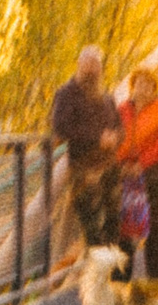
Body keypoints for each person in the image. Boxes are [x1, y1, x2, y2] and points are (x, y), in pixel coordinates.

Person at [50, 45, 124, 251]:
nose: (92, 69)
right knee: (93, 232)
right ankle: (96, 280)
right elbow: (61, 128)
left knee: (113, 227)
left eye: (96, 64)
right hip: (84, 172)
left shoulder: (106, 96)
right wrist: (97, 139)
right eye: (88, 64)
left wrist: (115, 136)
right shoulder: (66, 94)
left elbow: (120, 126)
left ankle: (107, 279)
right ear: (79, 65)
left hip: (110, 168)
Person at [116, 66, 158, 281]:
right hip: (125, 179)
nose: (143, 88)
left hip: (151, 178)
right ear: (132, 87)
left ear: (154, 88)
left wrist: (140, 164)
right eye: (139, 83)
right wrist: (120, 164)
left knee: (155, 232)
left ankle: (157, 284)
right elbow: (115, 138)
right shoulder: (122, 110)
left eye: (148, 84)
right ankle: (120, 283)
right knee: (123, 232)